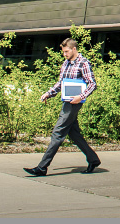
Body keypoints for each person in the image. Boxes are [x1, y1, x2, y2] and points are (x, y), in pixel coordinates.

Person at [24, 38, 101, 176]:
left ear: (74, 49)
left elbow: (92, 84)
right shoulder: (65, 63)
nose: (64, 54)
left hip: (75, 103)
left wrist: (81, 97)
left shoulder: (84, 63)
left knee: (58, 132)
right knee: (73, 133)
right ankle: (93, 159)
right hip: (66, 101)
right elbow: (60, 83)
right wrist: (48, 94)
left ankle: (42, 167)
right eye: (63, 52)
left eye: (66, 51)